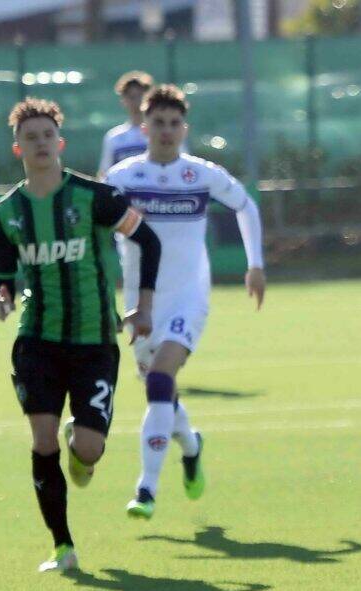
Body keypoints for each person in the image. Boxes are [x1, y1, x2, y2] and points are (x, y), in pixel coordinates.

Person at [0, 98, 161, 572]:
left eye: (47, 136)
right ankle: (62, 546)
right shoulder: (6, 213)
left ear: (59, 143)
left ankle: (81, 447)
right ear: (17, 148)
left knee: (87, 449)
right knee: (41, 438)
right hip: (37, 339)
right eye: (31, 137)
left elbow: (148, 240)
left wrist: (142, 307)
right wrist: (2, 298)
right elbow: (3, 277)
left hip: (93, 342)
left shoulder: (94, 198)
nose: (40, 143)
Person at [105, 84, 265, 520]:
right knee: (160, 391)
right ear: (144, 127)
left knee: (159, 381)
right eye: (158, 123)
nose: (167, 130)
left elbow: (246, 206)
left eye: (174, 123)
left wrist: (255, 265)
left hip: (189, 298)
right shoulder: (123, 178)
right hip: (142, 302)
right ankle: (191, 444)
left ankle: (147, 489)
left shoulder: (201, 174)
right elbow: (93, 225)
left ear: (184, 129)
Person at [97, 71, 153, 179]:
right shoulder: (113, 137)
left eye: (140, 96)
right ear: (123, 101)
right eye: (132, 97)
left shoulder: (162, 132)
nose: (137, 101)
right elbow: (104, 174)